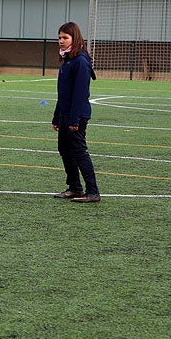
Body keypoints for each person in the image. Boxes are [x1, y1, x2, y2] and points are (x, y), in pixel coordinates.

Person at [52, 22, 100, 203]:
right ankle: (74, 187)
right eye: (59, 37)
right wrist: (57, 116)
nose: (61, 41)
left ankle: (93, 191)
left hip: (76, 114)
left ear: (74, 38)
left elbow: (80, 94)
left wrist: (74, 119)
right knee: (64, 149)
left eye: (65, 38)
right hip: (65, 113)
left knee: (79, 151)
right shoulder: (68, 60)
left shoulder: (80, 61)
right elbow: (63, 93)